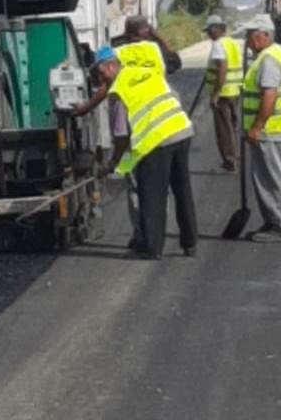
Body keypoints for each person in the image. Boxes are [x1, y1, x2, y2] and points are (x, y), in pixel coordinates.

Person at [96, 45, 198, 259]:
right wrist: (124, 166)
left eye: (100, 72)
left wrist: (114, 163)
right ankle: (190, 244)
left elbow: (122, 137)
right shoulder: (147, 72)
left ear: (112, 66)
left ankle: (152, 248)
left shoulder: (119, 91)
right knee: (182, 189)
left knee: (152, 195)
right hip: (181, 130)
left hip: (156, 142)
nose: (100, 78)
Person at [240, 14, 281, 243]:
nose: (248, 41)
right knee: (267, 178)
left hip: (270, 129)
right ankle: (273, 220)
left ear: (264, 35)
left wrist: (257, 126)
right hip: (272, 129)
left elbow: (270, 95)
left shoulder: (269, 60)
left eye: (251, 36)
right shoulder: (273, 54)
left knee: (272, 178)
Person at [204, 14, 243, 171]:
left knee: (223, 129)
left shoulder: (219, 44)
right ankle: (234, 154)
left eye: (209, 31)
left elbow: (222, 67)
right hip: (234, 90)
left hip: (224, 93)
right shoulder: (232, 43)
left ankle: (229, 160)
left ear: (216, 29)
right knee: (231, 126)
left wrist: (216, 93)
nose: (208, 34)